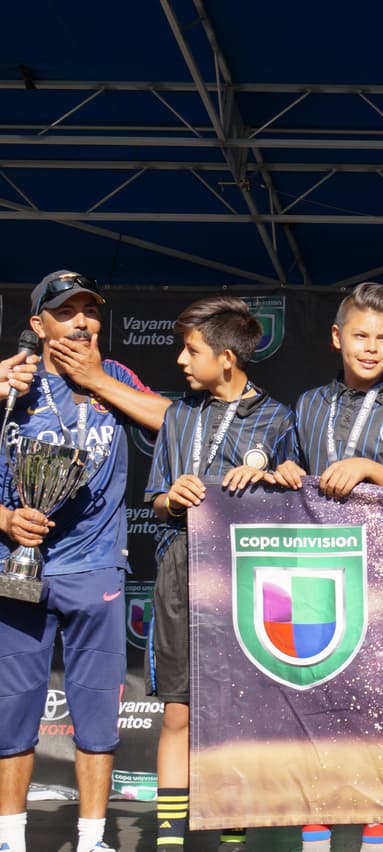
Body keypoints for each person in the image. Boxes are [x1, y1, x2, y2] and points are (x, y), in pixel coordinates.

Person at [0, 270, 169, 852]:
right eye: (66, 311)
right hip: (18, 565)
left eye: (90, 311)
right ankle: (11, 839)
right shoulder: (12, 381)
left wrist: (97, 379)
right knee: (13, 709)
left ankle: (93, 838)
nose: (81, 321)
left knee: (97, 709)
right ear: (38, 323)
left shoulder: (115, 375)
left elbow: (174, 422)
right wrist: (5, 521)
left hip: (95, 566)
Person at [271, 281, 383, 852]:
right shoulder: (308, 404)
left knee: (376, 706)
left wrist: (369, 468)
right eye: (361, 336)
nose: (370, 348)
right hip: (315, 571)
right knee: (314, 700)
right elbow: (290, 470)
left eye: (382, 339)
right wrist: (286, 471)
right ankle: (315, 832)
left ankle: (376, 834)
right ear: (337, 338)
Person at [146, 296, 296, 851]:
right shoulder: (178, 415)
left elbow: (296, 499)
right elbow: (155, 502)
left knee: (236, 712)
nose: (181, 361)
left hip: (246, 577)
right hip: (182, 571)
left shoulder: (280, 419)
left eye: (192, 351)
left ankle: (233, 843)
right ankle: (168, 843)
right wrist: (172, 497)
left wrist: (274, 479)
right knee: (178, 713)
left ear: (227, 358)